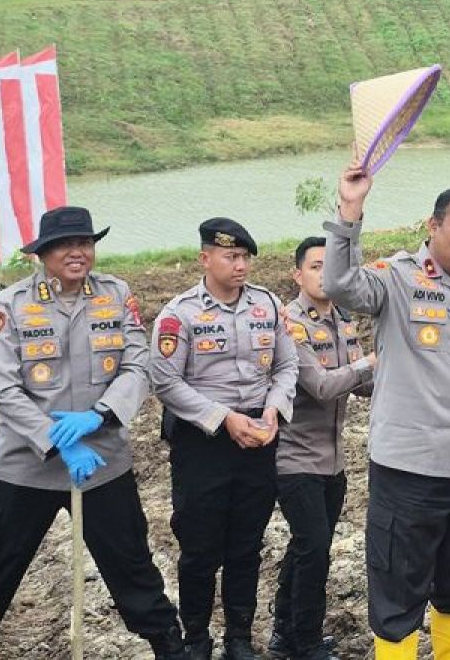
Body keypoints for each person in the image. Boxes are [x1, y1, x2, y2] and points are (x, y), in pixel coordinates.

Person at [0, 206, 189, 660]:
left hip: (102, 462)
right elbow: (4, 388)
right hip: (27, 466)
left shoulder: (116, 294)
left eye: (85, 243)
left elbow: (137, 366)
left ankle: (169, 646)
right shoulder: (11, 305)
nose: (77, 252)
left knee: (131, 563)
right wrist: (59, 440)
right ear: (42, 254)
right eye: (64, 245)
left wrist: (98, 416)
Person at [322, 163, 450, 660]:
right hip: (409, 469)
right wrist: (350, 209)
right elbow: (340, 284)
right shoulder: (396, 278)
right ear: (433, 226)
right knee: (398, 589)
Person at [150, 218, 298, 660]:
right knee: (199, 548)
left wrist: (274, 408)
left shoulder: (267, 305)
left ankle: (239, 637)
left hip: (257, 437)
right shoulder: (179, 314)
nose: (241, 266)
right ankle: (196, 637)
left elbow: (286, 366)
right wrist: (223, 418)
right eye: (231, 256)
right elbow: (165, 381)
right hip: (204, 442)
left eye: (245, 257)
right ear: (205, 258)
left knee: (246, 545)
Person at [267, 237, 377, 660]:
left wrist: (391, 371)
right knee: (313, 550)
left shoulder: (342, 319)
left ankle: (284, 632)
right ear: (297, 274)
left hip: (333, 461)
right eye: (315, 266)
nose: (323, 275)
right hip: (295, 459)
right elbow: (322, 386)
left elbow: (361, 387)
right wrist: (370, 363)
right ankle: (308, 640)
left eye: (330, 266)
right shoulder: (290, 325)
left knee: (308, 546)